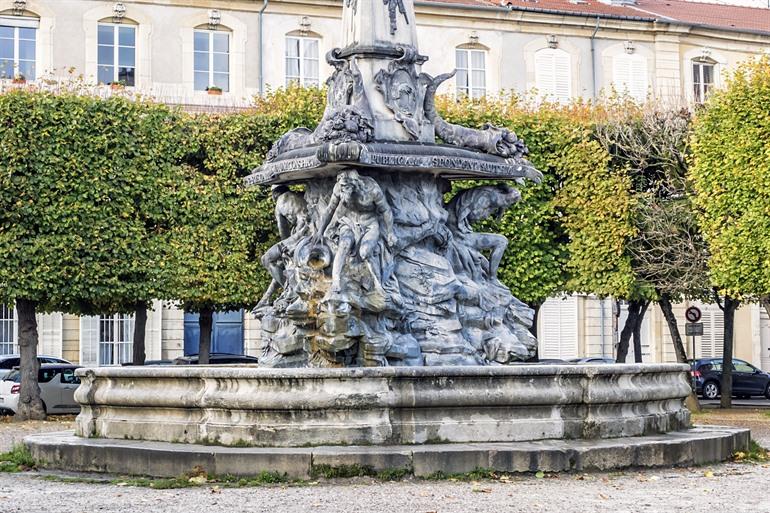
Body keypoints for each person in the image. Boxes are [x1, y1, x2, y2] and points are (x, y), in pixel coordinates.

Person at [315, 169, 396, 298]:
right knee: (344, 245)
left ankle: (378, 284)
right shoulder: (339, 188)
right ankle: (336, 282)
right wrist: (320, 231)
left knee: (365, 252)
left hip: (369, 224)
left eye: (345, 188)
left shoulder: (371, 189)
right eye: (341, 187)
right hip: (349, 221)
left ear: (354, 185)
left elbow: (385, 210)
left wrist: (391, 232)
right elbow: (330, 209)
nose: (341, 190)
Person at [256, 186, 310, 308]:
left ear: (275, 194)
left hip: (301, 233)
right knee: (282, 262)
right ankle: (273, 294)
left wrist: (286, 247)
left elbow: (283, 231)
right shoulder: (300, 195)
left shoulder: (280, 202)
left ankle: (291, 289)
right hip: (311, 229)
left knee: (267, 259)